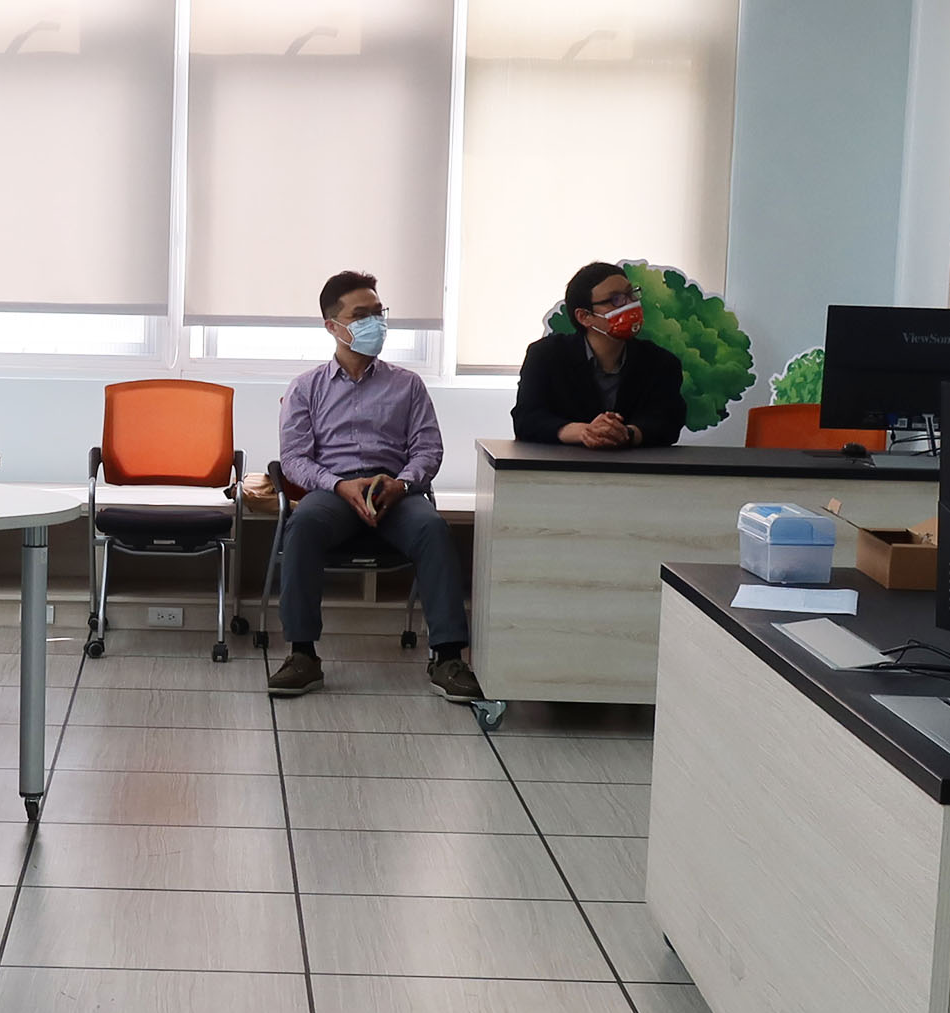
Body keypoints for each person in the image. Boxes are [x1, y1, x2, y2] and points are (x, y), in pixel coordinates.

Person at [268, 271, 483, 705]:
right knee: (303, 524)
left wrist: (401, 483)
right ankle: (303, 654)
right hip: (335, 492)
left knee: (433, 529)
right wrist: (339, 485)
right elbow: (294, 459)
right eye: (361, 315)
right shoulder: (306, 388)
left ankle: (447, 658)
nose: (376, 323)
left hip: (395, 492)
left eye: (379, 313)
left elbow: (429, 450)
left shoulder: (408, 385)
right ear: (333, 326)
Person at [515, 261, 685, 451]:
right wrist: (584, 432)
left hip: (634, 466)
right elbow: (526, 419)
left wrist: (627, 433)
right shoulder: (545, 355)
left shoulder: (660, 362)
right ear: (584, 316)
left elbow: (668, 422)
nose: (630, 304)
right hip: (564, 464)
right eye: (616, 300)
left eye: (631, 294)